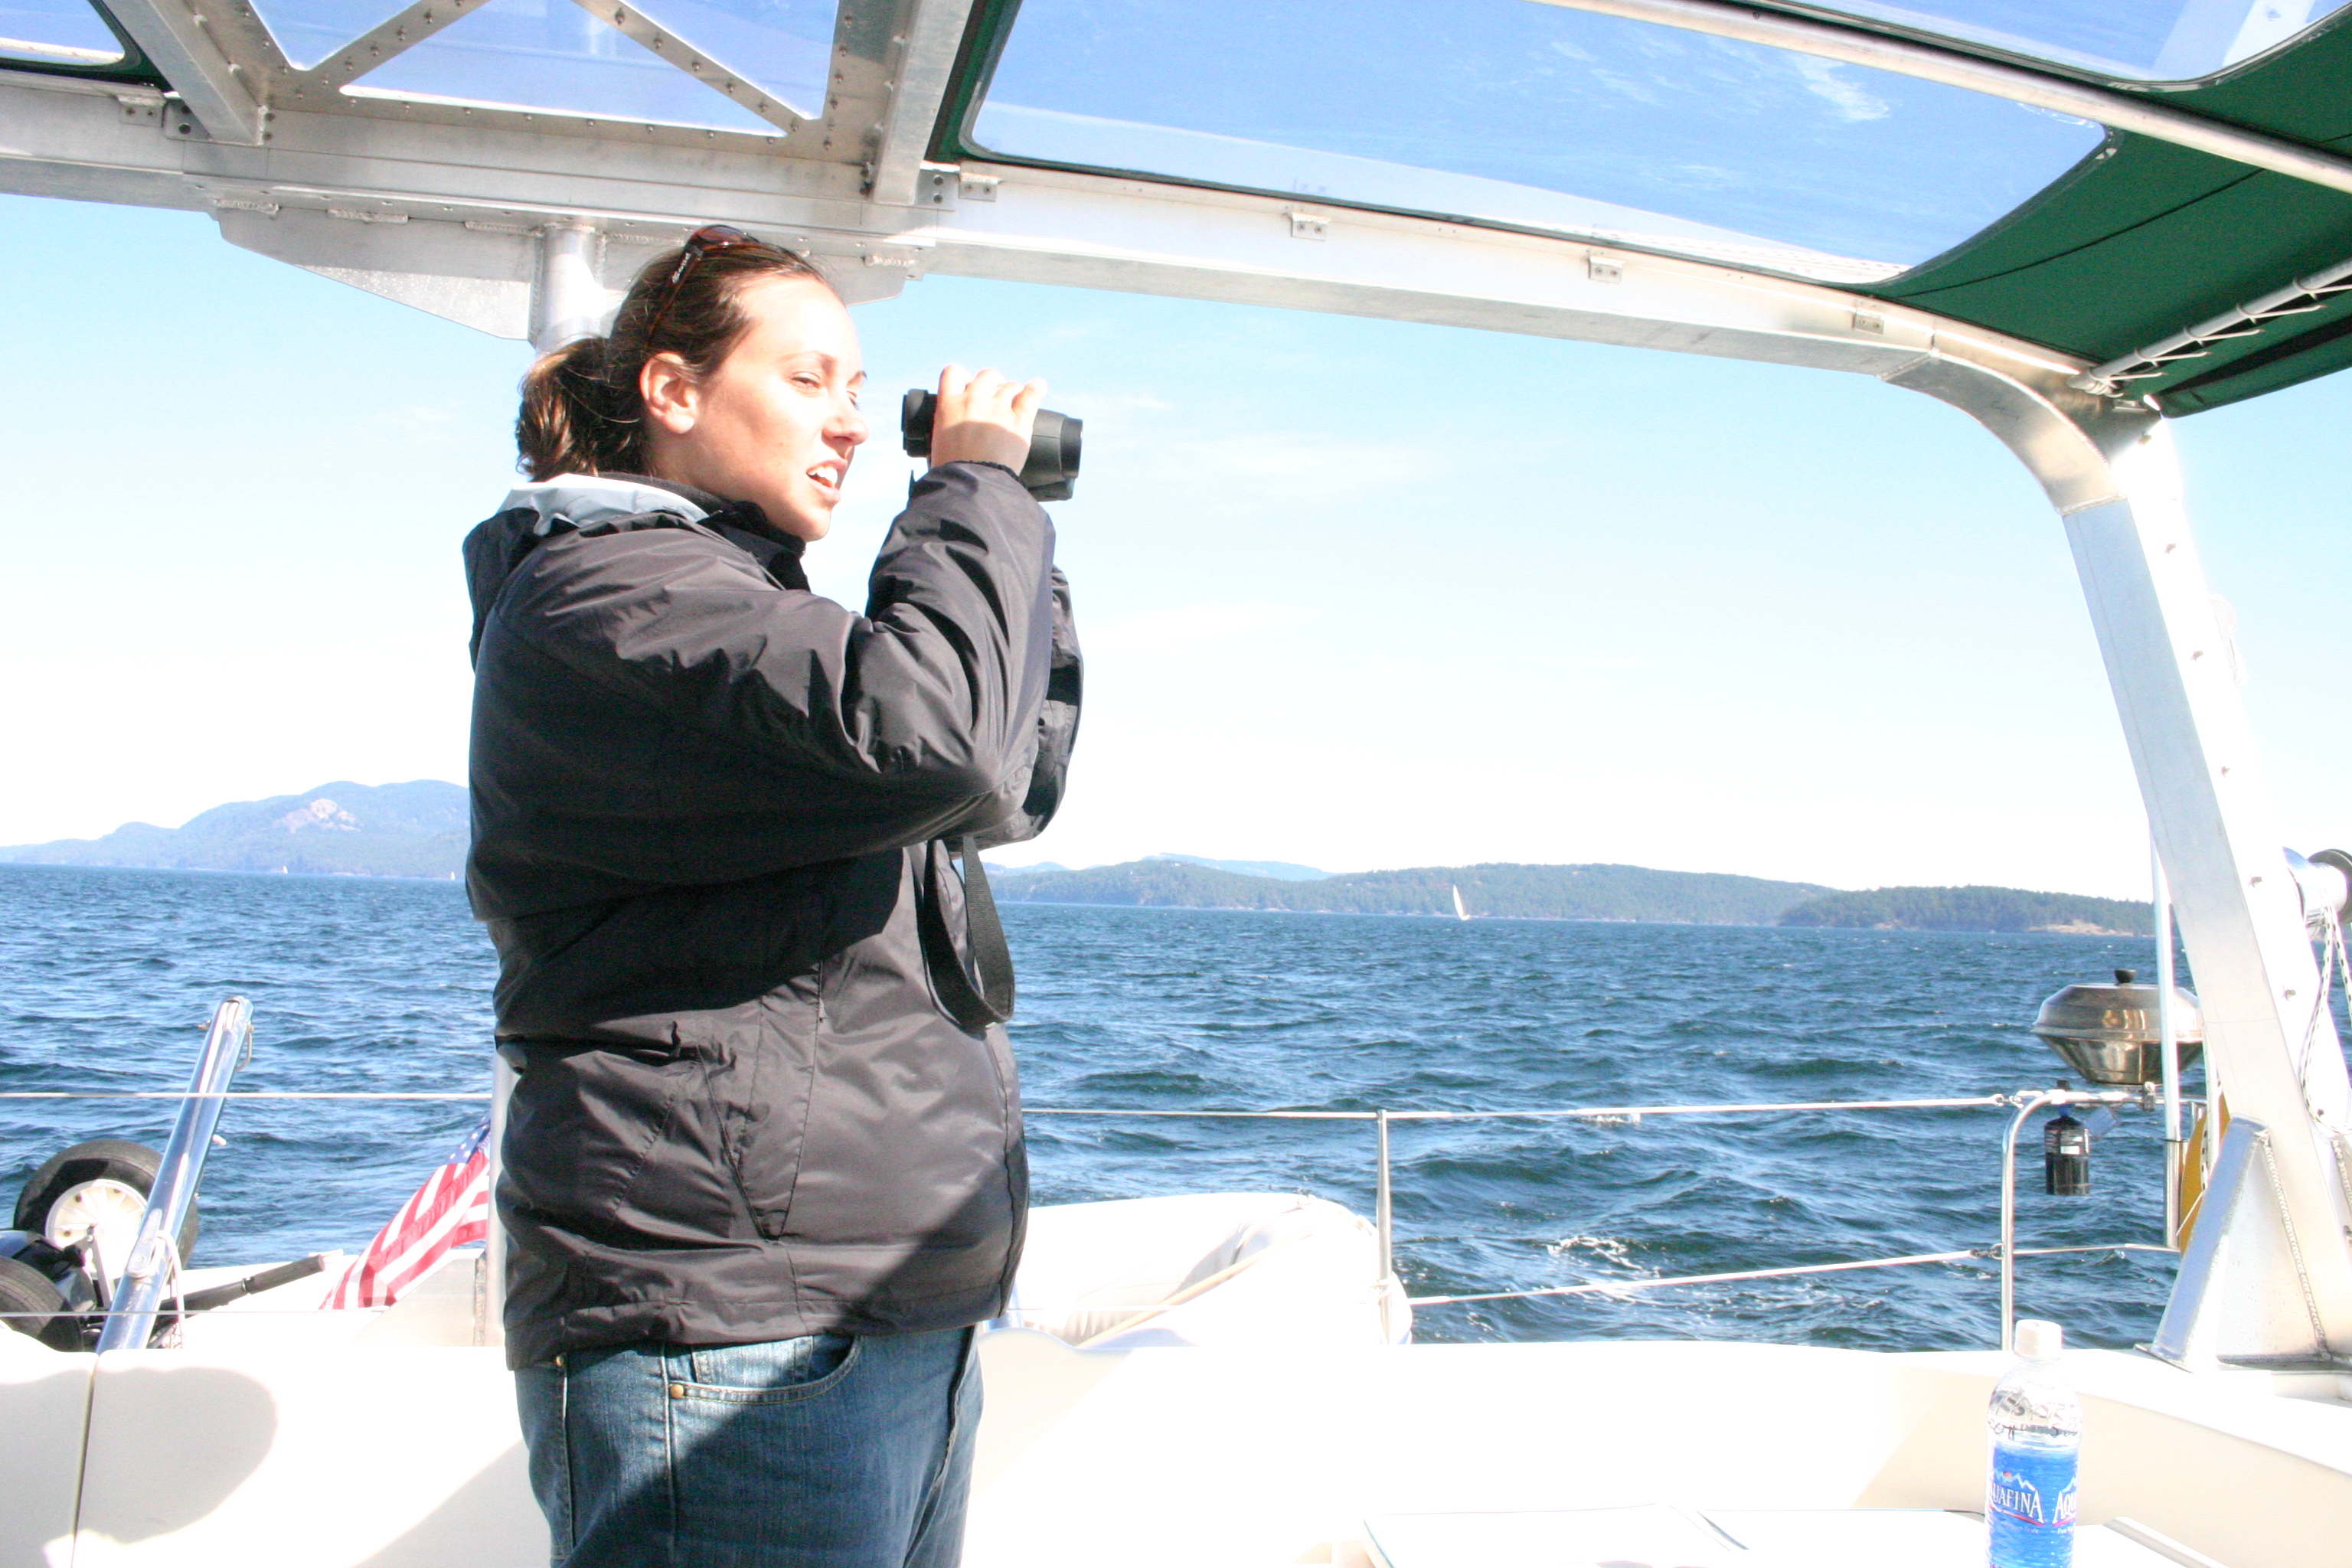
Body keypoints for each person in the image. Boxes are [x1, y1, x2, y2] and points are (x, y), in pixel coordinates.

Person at [461, 224, 1081, 1568]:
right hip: (722, 1332)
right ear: (674, 392)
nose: (850, 424)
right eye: (809, 381)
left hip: (876, 1317)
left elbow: (1000, 785)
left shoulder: (738, 606)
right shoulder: (611, 591)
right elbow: (933, 737)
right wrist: (973, 494)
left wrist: (1012, 538)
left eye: (858, 390)